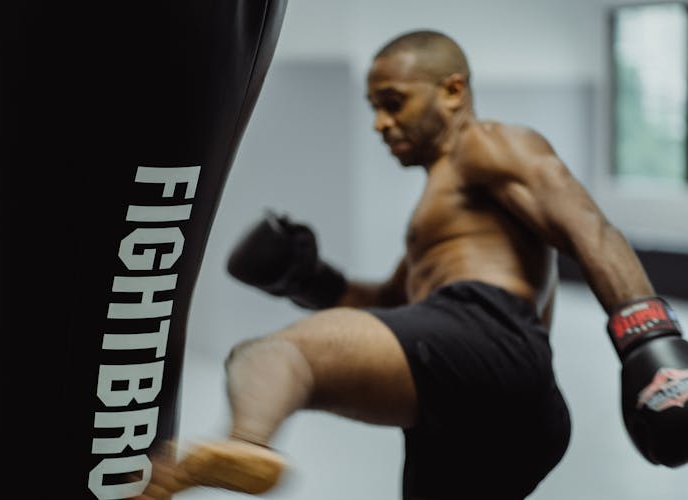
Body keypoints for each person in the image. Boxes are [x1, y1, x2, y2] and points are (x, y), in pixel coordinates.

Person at [134, 30, 687, 500]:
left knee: (274, 353)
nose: (379, 124)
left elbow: (586, 226)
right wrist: (311, 279)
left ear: (452, 92)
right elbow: (394, 307)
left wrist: (651, 347)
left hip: (489, 333)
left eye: (393, 102)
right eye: (374, 107)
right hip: (500, 409)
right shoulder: (442, 205)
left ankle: (246, 443)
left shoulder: (489, 144)